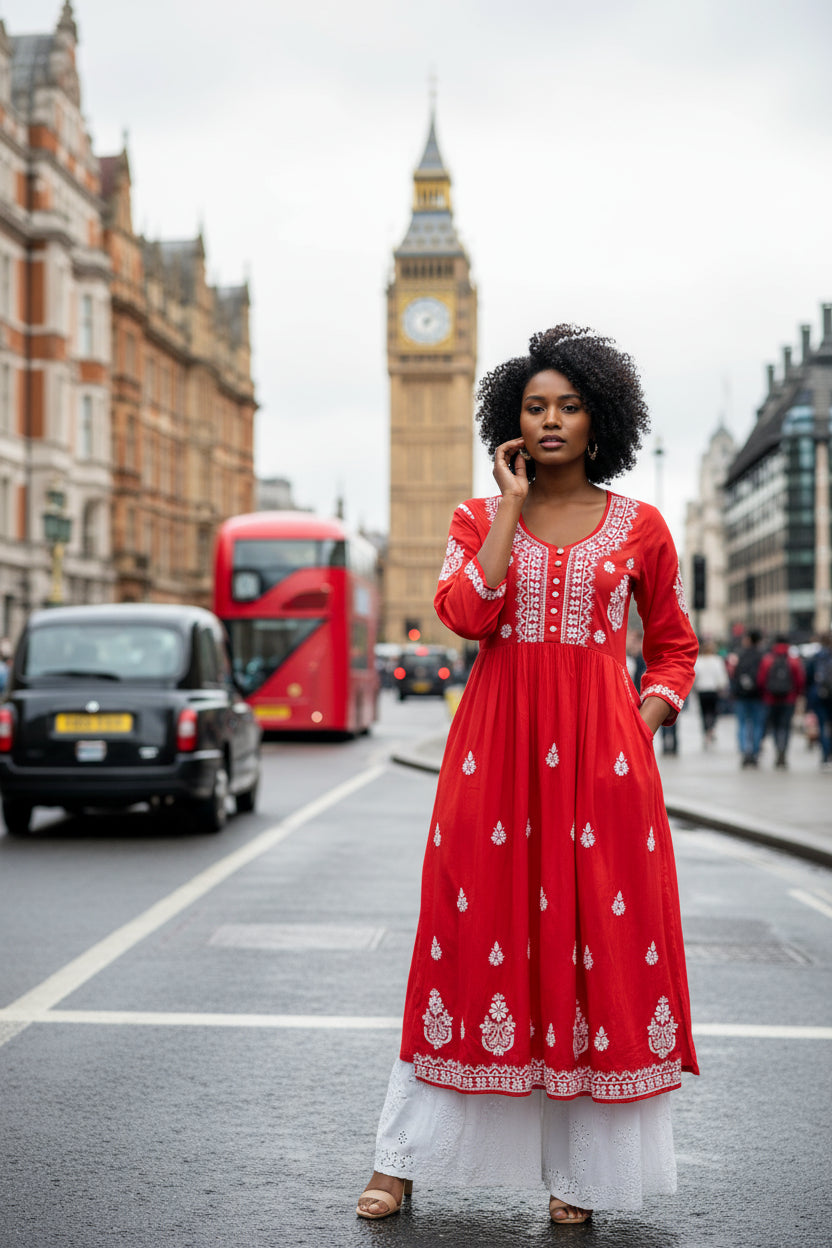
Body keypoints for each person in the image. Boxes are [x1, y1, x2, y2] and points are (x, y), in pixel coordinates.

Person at [357, 325, 700, 1226]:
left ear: (600, 419)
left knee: (591, 960)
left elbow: (673, 648)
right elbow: (466, 616)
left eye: (569, 406)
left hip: (603, 775)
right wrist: (508, 508)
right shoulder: (476, 518)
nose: (551, 421)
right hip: (494, 762)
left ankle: (579, 1176)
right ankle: (400, 1159)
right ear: (511, 423)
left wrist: (640, 722)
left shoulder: (644, 527)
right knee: (462, 945)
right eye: (535, 407)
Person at [758, 635, 805, 768]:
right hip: (789, 699)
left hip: (770, 699)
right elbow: (800, 681)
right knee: (785, 726)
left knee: (775, 726)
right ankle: (783, 751)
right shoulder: (793, 660)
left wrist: (764, 694)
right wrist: (798, 694)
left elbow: (761, 680)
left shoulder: (768, 659)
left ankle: (778, 748)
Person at [730, 629, 766, 767]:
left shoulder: (741, 655)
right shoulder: (763, 656)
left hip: (742, 696)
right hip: (758, 696)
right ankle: (755, 753)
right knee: (757, 724)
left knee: (743, 724)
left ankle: (745, 752)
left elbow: (735, 675)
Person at [692, 639, 728, 747]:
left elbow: (695, 675)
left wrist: (694, 687)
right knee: (713, 711)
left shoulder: (698, 661)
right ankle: (711, 729)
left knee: (703, 712)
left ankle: (706, 731)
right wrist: (722, 686)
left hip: (702, 689)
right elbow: (721, 675)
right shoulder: (717, 660)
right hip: (713, 689)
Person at [806, 633, 832, 769]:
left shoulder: (817, 657)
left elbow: (808, 678)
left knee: (822, 725)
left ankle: (824, 754)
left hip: (820, 695)